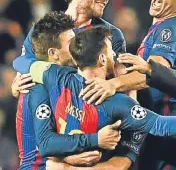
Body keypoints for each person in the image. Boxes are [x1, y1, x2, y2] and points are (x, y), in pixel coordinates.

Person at [27, 25, 176, 170]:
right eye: (111, 51)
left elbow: (27, 64)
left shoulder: (56, 77)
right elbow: (162, 125)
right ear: (102, 59)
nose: (115, 55)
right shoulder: (116, 104)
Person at [79, 0, 176, 170]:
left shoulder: (172, 28)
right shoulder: (160, 27)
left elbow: (156, 72)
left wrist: (113, 85)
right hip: (162, 130)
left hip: (168, 131)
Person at [16, 12, 123, 170]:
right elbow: (44, 145)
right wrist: (71, 157)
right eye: (70, 42)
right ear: (53, 53)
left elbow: (19, 62)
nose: (76, 45)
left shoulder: (65, 81)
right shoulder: (37, 89)